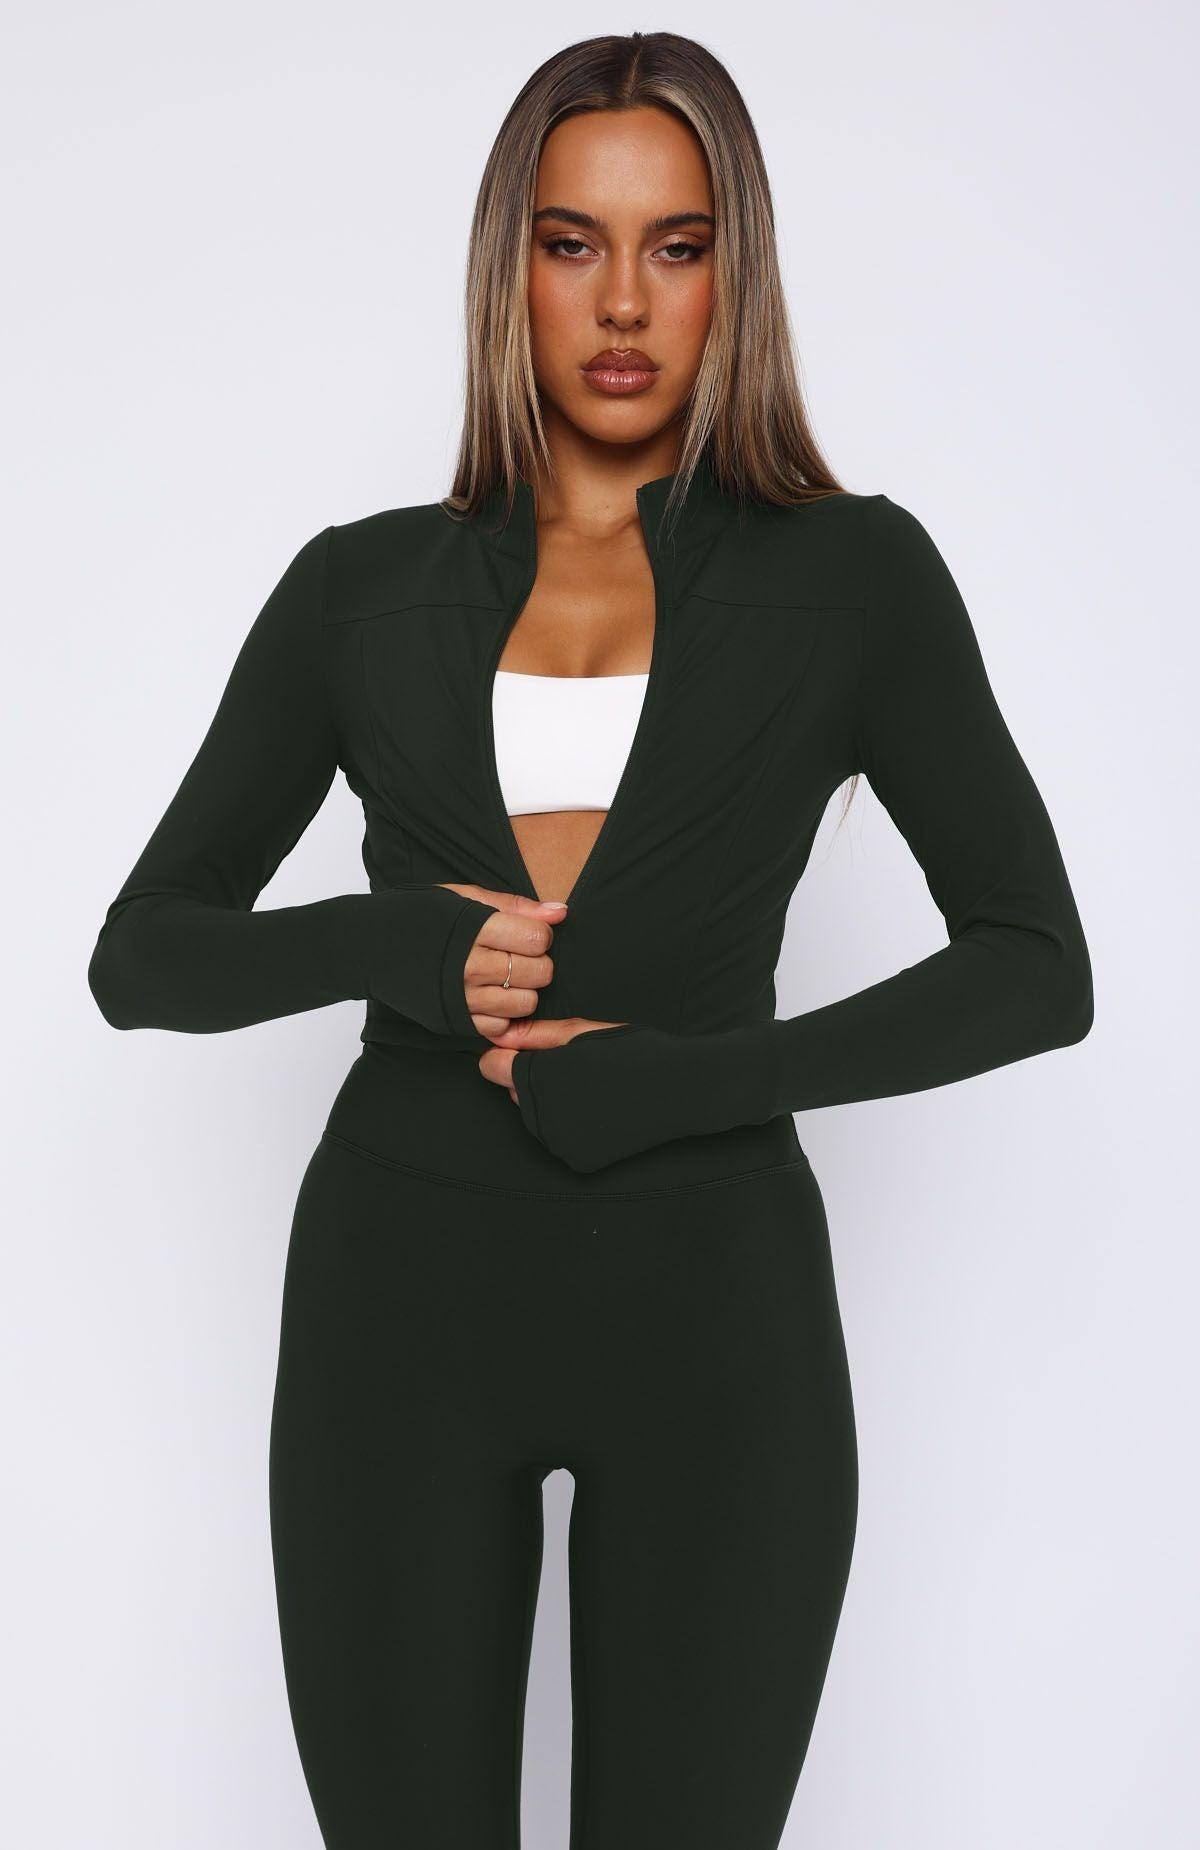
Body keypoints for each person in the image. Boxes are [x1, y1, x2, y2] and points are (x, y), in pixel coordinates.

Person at [87, 30, 1093, 1850]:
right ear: (513, 267)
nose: (623, 301)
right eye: (573, 244)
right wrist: (393, 941)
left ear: (734, 272)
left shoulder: (853, 578)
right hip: (400, 1306)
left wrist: (701, 1080)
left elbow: (1038, 962)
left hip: (717, 1316)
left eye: (675, 246)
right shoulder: (360, 586)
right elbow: (141, 953)